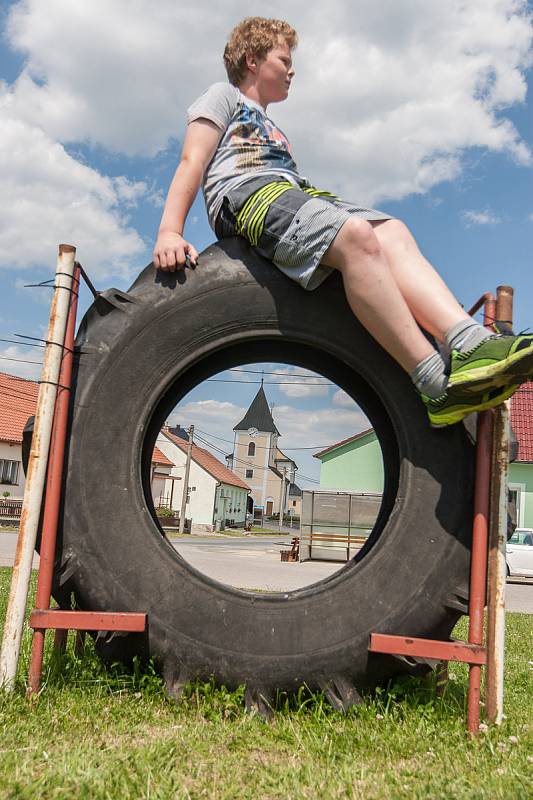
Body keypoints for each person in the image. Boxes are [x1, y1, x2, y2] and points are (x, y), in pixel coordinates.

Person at [153, 16, 533, 427]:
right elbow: (193, 159)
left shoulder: (272, 126)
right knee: (354, 237)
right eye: (284, 59)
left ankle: (468, 343)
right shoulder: (222, 96)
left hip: (290, 193)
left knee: (391, 231)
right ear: (251, 59)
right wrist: (170, 229)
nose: (292, 69)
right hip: (247, 195)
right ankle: (432, 383)